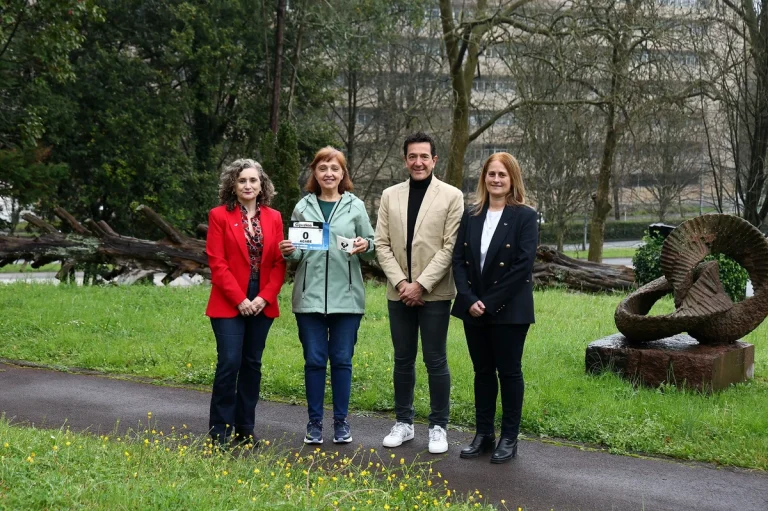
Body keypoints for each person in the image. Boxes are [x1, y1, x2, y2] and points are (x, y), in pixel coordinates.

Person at [374, 132, 464, 454]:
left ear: (434, 160)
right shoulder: (389, 196)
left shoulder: (452, 196)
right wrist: (402, 284)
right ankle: (404, 422)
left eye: (424, 156)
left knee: (435, 360)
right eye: (412, 156)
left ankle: (438, 426)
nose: (418, 162)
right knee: (403, 359)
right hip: (398, 292)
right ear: (405, 160)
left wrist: (420, 285)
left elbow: (449, 247)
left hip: (434, 293)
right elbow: (380, 245)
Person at [279, 146, 376, 445]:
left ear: (343, 173)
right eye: (323, 168)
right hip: (308, 298)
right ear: (315, 173)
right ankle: (315, 423)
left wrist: (365, 245)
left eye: (334, 168)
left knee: (343, 360)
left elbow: (373, 246)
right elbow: (296, 253)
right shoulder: (303, 207)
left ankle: (342, 422)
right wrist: (288, 251)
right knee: (315, 360)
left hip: (347, 298)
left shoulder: (355, 206)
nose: (329, 173)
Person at [451, 152, 537, 464]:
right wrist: (468, 297)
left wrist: (487, 303)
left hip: (509, 310)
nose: (496, 180)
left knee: (509, 372)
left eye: (502, 175)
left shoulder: (525, 217)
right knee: (482, 372)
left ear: (512, 178)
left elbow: (522, 266)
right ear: (484, 178)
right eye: (491, 174)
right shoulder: (471, 214)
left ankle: (509, 438)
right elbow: (458, 261)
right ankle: (484, 434)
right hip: (472, 307)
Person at [205, 159, 287, 447]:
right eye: (242, 181)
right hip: (229, 298)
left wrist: (264, 297)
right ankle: (219, 432)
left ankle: (244, 430)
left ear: (262, 185)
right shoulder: (218, 216)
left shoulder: (274, 217)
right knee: (229, 362)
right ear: (233, 185)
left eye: (253, 180)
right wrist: (240, 300)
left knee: (252, 364)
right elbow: (217, 262)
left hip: (262, 296)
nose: (248, 185)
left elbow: (279, 263)